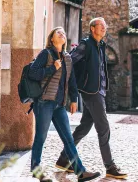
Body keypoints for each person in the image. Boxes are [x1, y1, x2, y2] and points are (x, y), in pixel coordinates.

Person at [55, 18, 128, 179]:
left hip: (98, 90)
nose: (104, 28)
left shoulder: (100, 45)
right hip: (91, 92)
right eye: (101, 26)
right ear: (92, 28)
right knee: (103, 128)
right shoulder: (86, 44)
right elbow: (70, 60)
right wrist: (72, 85)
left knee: (85, 126)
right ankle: (110, 166)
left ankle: (63, 159)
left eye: (105, 26)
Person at [29, 27, 101, 182]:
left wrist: (74, 99)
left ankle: (80, 172)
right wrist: (51, 68)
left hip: (59, 105)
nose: (62, 34)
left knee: (68, 138)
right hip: (44, 102)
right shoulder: (45, 54)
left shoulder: (67, 57)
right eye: (58, 33)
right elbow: (33, 73)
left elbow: (72, 80)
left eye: (63, 33)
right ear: (52, 39)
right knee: (41, 136)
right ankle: (36, 169)